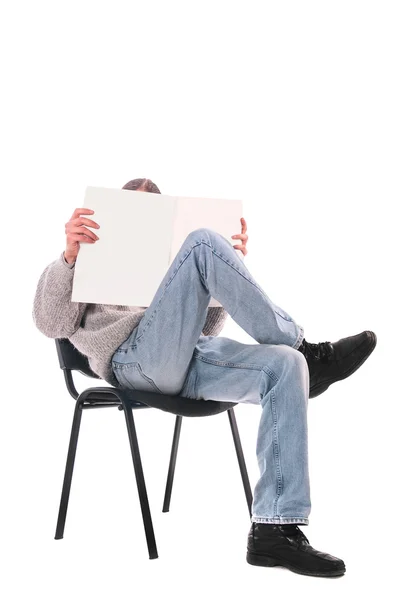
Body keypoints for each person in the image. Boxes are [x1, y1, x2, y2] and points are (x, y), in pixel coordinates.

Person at [32, 177, 377, 578]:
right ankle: (307, 348)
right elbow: (50, 323)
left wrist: (227, 269)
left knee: (286, 366)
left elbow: (207, 330)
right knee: (203, 242)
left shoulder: (169, 264)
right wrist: (69, 259)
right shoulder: (81, 262)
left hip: (189, 356)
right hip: (132, 362)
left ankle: (274, 529)